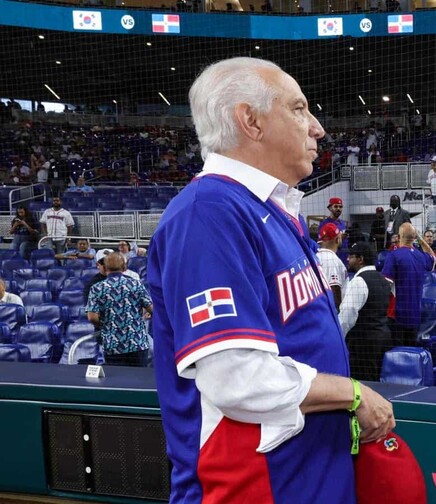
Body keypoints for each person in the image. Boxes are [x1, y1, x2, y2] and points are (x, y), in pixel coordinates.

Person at [145, 57, 394, 502]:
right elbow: (238, 379)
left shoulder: (272, 210)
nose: (317, 128)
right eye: (299, 109)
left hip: (307, 471)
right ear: (251, 121)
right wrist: (352, 394)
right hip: (255, 485)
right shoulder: (209, 213)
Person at [86, 252, 153, 367]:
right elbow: (152, 309)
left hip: (113, 345)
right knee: (138, 381)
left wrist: (107, 323)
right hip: (137, 343)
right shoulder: (136, 284)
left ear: (105, 268)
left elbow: (92, 317)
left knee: (117, 382)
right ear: (124, 267)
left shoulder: (97, 288)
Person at [338, 242, 393, 381]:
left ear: (360, 259)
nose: (347, 259)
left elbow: (348, 313)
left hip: (363, 344)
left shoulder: (358, 281)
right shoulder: (384, 280)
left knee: (362, 385)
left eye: (351, 257)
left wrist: (339, 337)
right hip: (382, 339)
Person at [381, 223, 436, 347]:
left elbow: (386, 285)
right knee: (411, 353)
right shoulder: (421, 256)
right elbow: (433, 257)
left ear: (399, 236)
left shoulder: (394, 255)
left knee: (397, 354)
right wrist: (421, 240)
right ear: (415, 237)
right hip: (414, 314)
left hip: (396, 314)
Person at [317, 222, 347, 308]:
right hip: (332, 311)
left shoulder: (315, 256)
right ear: (337, 239)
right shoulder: (331, 259)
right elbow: (334, 289)